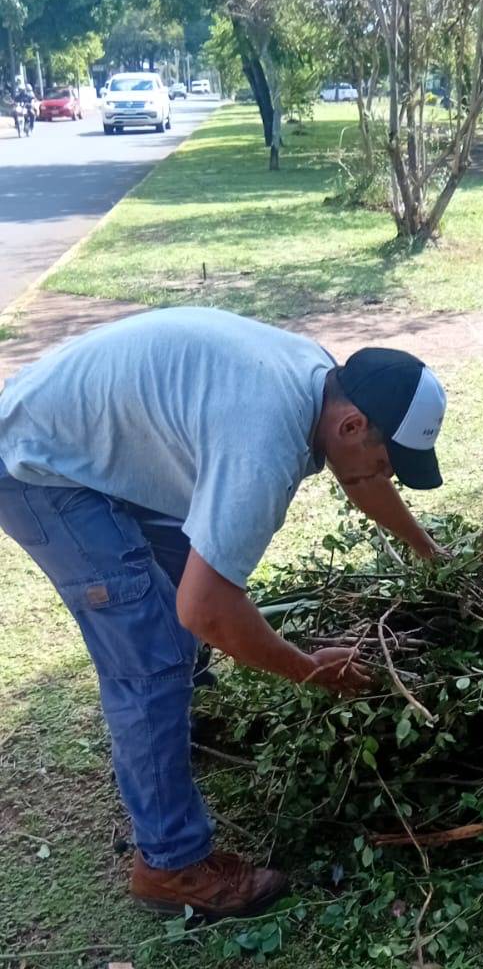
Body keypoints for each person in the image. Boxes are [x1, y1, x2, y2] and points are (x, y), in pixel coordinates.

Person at [0, 307, 447, 919]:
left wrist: (431, 556)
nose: (383, 473)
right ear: (352, 425)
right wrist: (309, 670)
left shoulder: (324, 382)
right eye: (387, 460)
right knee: (153, 653)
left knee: (191, 568)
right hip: (38, 464)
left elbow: (361, 475)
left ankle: (175, 733)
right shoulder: (264, 442)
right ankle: (169, 865)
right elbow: (206, 610)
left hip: (90, 439)